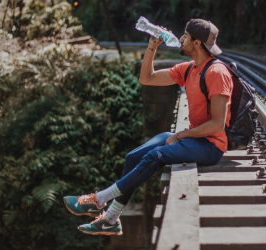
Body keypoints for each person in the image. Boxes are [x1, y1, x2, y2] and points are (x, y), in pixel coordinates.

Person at [63, 19, 233, 236]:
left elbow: (218, 124)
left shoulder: (217, 73)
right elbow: (147, 78)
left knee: (156, 155)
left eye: (185, 37)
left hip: (211, 145)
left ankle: (99, 199)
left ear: (197, 43)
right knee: (133, 157)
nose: (180, 39)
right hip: (194, 138)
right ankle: (111, 219)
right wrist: (153, 45)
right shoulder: (189, 69)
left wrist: (180, 135)